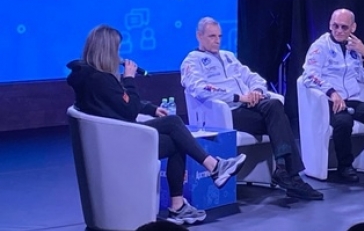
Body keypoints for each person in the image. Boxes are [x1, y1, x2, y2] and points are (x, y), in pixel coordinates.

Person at [66, 24, 247, 226]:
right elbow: (128, 109)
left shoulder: (88, 75)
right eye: (117, 50)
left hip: (117, 133)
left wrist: (151, 109)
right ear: (107, 51)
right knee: (177, 136)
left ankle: (206, 176)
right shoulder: (101, 80)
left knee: (173, 126)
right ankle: (203, 179)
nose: (119, 56)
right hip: (120, 141)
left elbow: (118, 102)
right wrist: (129, 79)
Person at [180, 17, 323, 201]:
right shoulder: (192, 61)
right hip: (227, 112)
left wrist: (256, 91)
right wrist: (238, 97)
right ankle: (291, 176)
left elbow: (252, 77)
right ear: (199, 36)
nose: (217, 40)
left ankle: (282, 169)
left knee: (275, 105)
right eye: (212, 36)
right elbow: (199, 89)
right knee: (278, 120)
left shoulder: (228, 56)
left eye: (219, 36)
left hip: (248, 105)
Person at [301, 8, 364, 186]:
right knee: (343, 121)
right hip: (329, 101)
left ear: (353, 28)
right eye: (335, 26)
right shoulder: (320, 46)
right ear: (330, 25)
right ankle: (345, 166)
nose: (339, 31)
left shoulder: (355, 47)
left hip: (352, 99)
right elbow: (309, 75)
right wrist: (332, 92)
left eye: (344, 27)